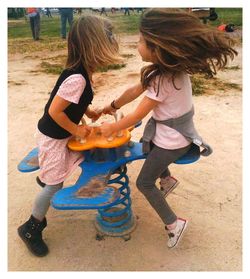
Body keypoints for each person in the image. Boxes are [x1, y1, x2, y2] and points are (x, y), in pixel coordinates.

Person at [100, 8, 237, 248]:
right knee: (148, 141)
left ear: (157, 46)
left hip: (173, 143)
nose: (138, 45)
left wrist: (110, 129)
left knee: (143, 182)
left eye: (141, 41)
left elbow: (136, 115)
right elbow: (133, 92)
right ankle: (168, 180)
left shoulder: (162, 79)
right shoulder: (167, 71)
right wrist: (112, 105)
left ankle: (174, 224)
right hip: (178, 135)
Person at [17, 14, 120, 257]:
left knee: (79, 159)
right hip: (54, 138)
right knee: (55, 185)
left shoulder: (81, 72)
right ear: (94, 47)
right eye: (107, 43)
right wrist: (76, 129)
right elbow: (55, 110)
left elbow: (72, 103)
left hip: (60, 134)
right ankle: (31, 227)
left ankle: (47, 176)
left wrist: (89, 111)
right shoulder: (77, 77)